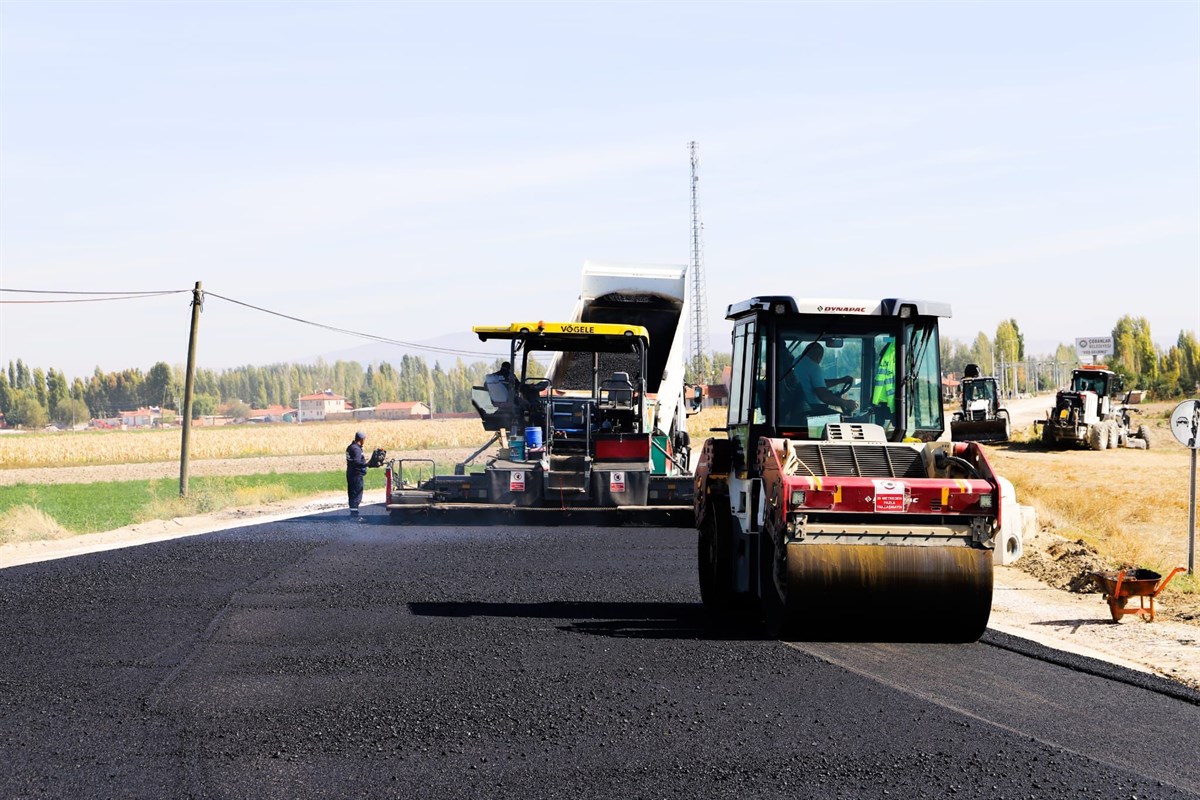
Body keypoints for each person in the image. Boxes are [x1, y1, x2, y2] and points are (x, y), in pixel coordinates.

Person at [794, 342, 858, 414]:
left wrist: (841, 380)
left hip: (797, 407)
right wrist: (846, 403)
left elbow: (819, 384)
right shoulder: (813, 367)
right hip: (811, 409)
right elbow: (823, 395)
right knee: (840, 418)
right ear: (819, 357)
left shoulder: (795, 362)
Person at [345, 431, 369, 518]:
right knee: (357, 494)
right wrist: (367, 464)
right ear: (362, 439)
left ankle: (353, 514)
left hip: (351, 473)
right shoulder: (356, 449)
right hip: (356, 475)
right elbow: (356, 462)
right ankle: (354, 516)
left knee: (352, 494)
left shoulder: (350, 447)